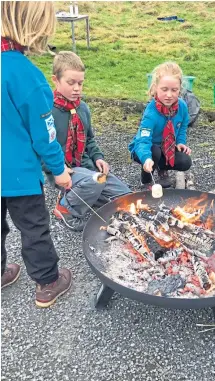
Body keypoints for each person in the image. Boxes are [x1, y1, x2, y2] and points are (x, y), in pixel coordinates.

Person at [1, 1, 73, 308]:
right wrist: (59, 169)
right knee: (33, 228)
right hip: (19, 176)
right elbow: (45, 133)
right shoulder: (25, 74)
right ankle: (48, 282)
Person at [43, 51, 131, 231]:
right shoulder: (47, 110)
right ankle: (65, 208)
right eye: (71, 83)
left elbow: (89, 139)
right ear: (55, 80)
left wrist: (98, 157)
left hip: (87, 168)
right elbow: (42, 146)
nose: (77, 88)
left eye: (80, 83)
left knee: (127, 198)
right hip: (62, 170)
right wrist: (57, 168)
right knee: (95, 181)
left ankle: (86, 193)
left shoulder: (82, 108)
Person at [129, 62, 192, 188]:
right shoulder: (151, 112)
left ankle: (161, 168)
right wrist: (146, 158)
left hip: (166, 147)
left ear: (180, 89)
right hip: (145, 148)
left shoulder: (182, 106)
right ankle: (146, 180)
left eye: (174, 90)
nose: (169, 95)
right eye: (164, 89)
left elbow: (183, 126)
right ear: (155, 88)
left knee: (185, 161)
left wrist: (180, 142)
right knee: (154, 152)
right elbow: (143, 140)